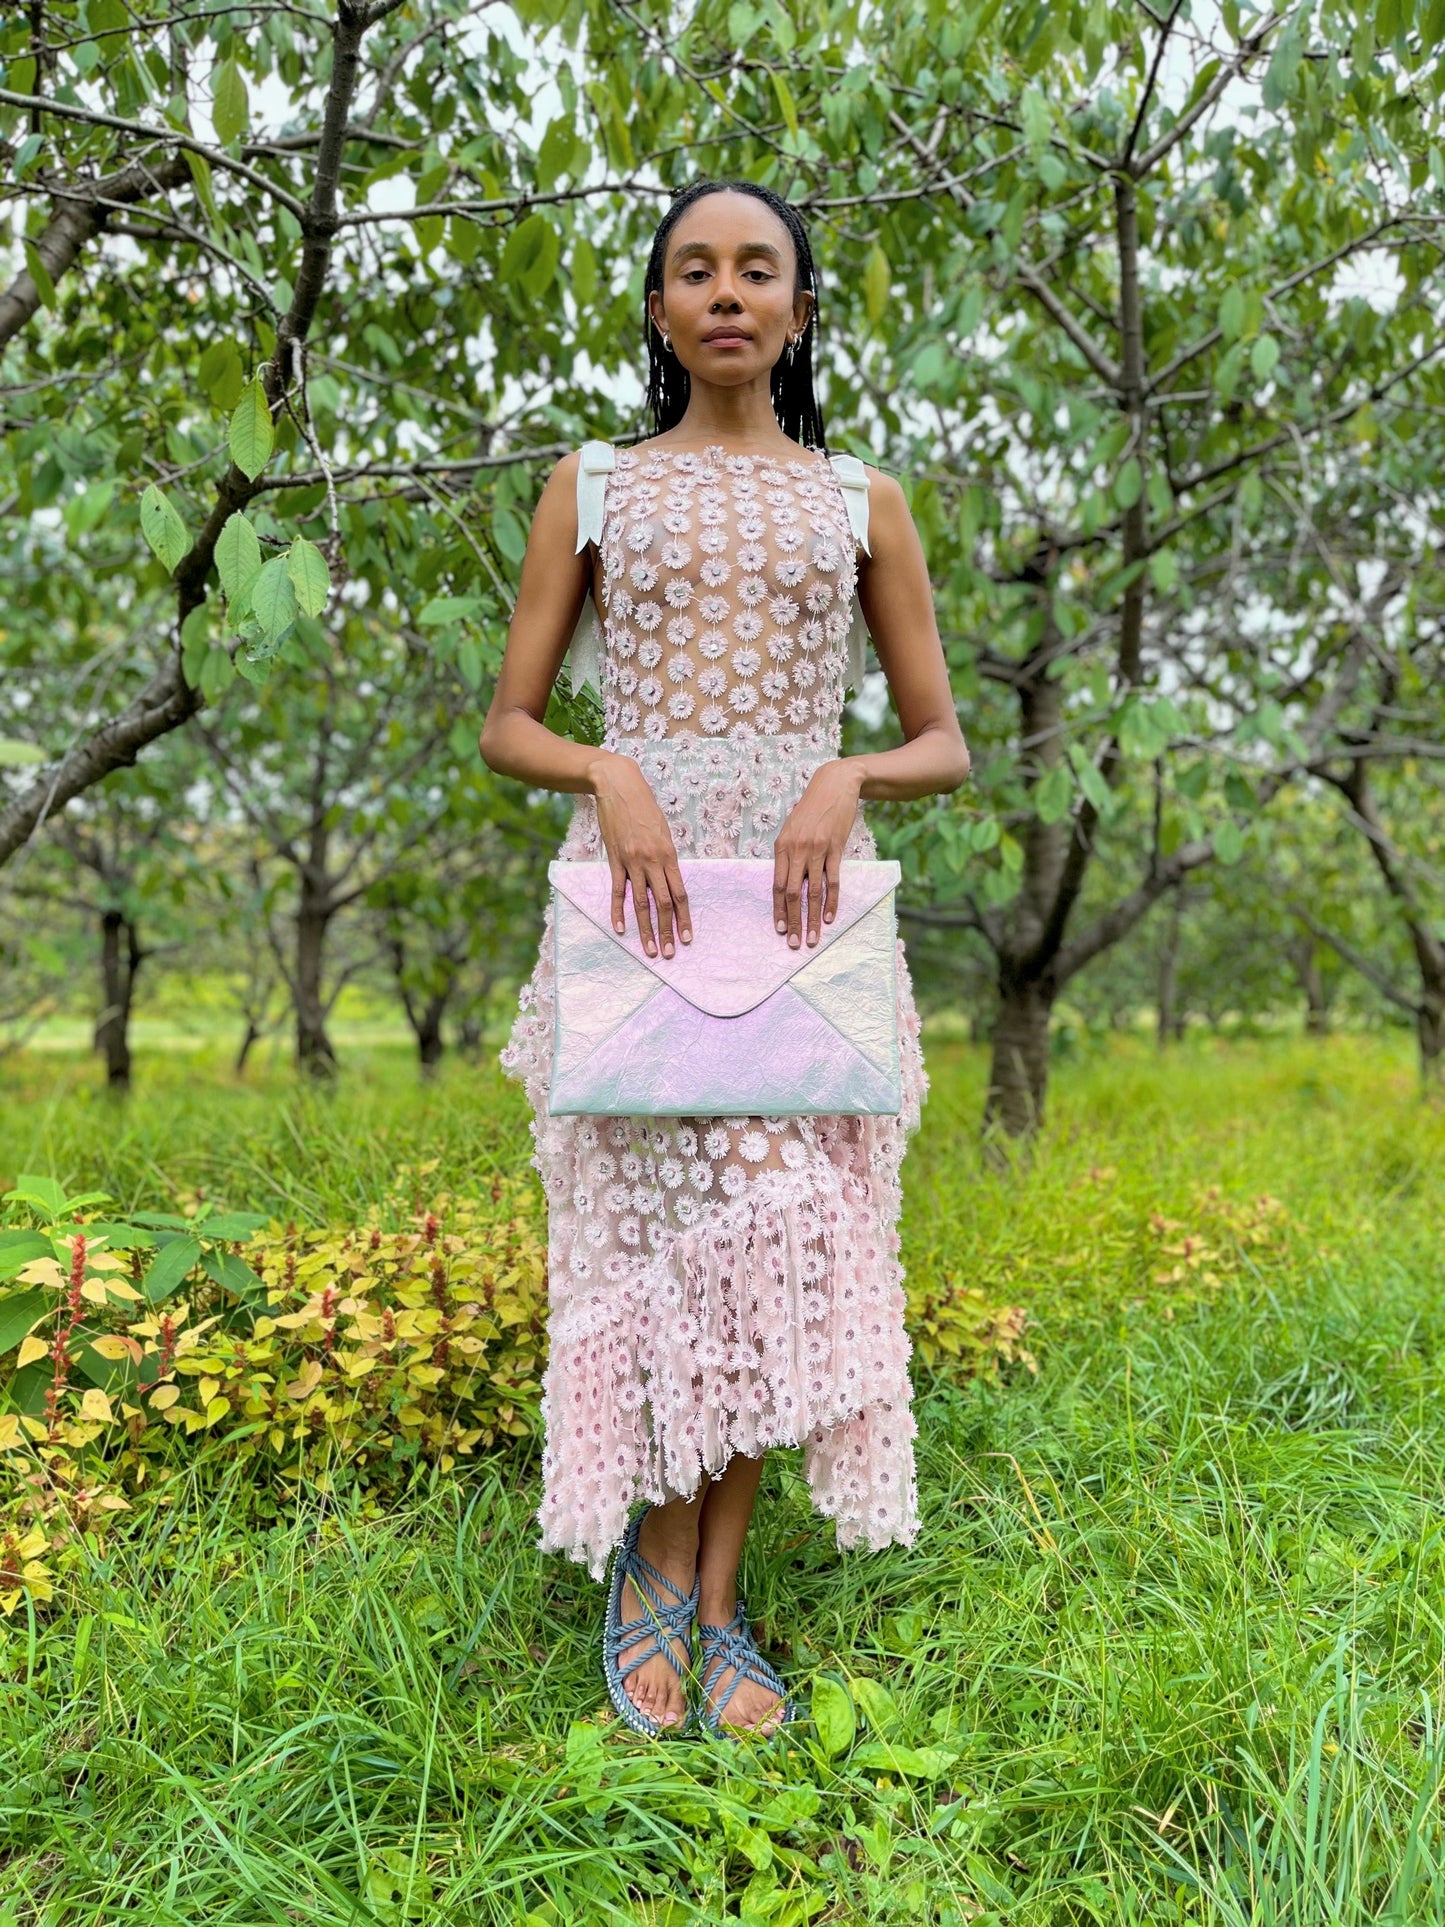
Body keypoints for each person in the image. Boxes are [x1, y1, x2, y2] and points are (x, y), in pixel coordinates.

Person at [480, 178, 969, 1740]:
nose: (726, 294)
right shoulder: (595, 488)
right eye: (694, 271)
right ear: (658, 310)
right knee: (652, 1242)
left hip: (798, 918)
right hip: (635, 912)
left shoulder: (857, 503)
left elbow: (941, 738)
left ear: (800, 312)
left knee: (771, 1238)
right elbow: (507, 723)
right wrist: (603, 768)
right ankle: (651, 1558)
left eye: (758, 271)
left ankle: (708, 1590)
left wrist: (851, 775)